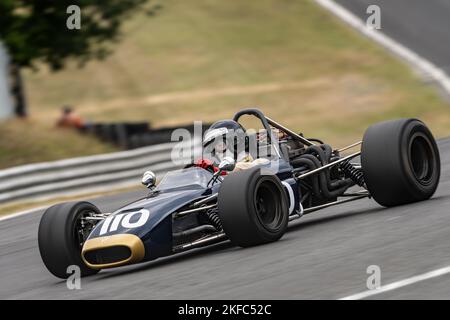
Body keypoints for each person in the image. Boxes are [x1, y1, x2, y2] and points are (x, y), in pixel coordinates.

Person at [202, 120, 269, 171]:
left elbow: (254, 165)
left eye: (221, 142)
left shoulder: (243, 155)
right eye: (215, 144)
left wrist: (235, 168)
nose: (219, 145)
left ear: (235, 140)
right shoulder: (216, 158)